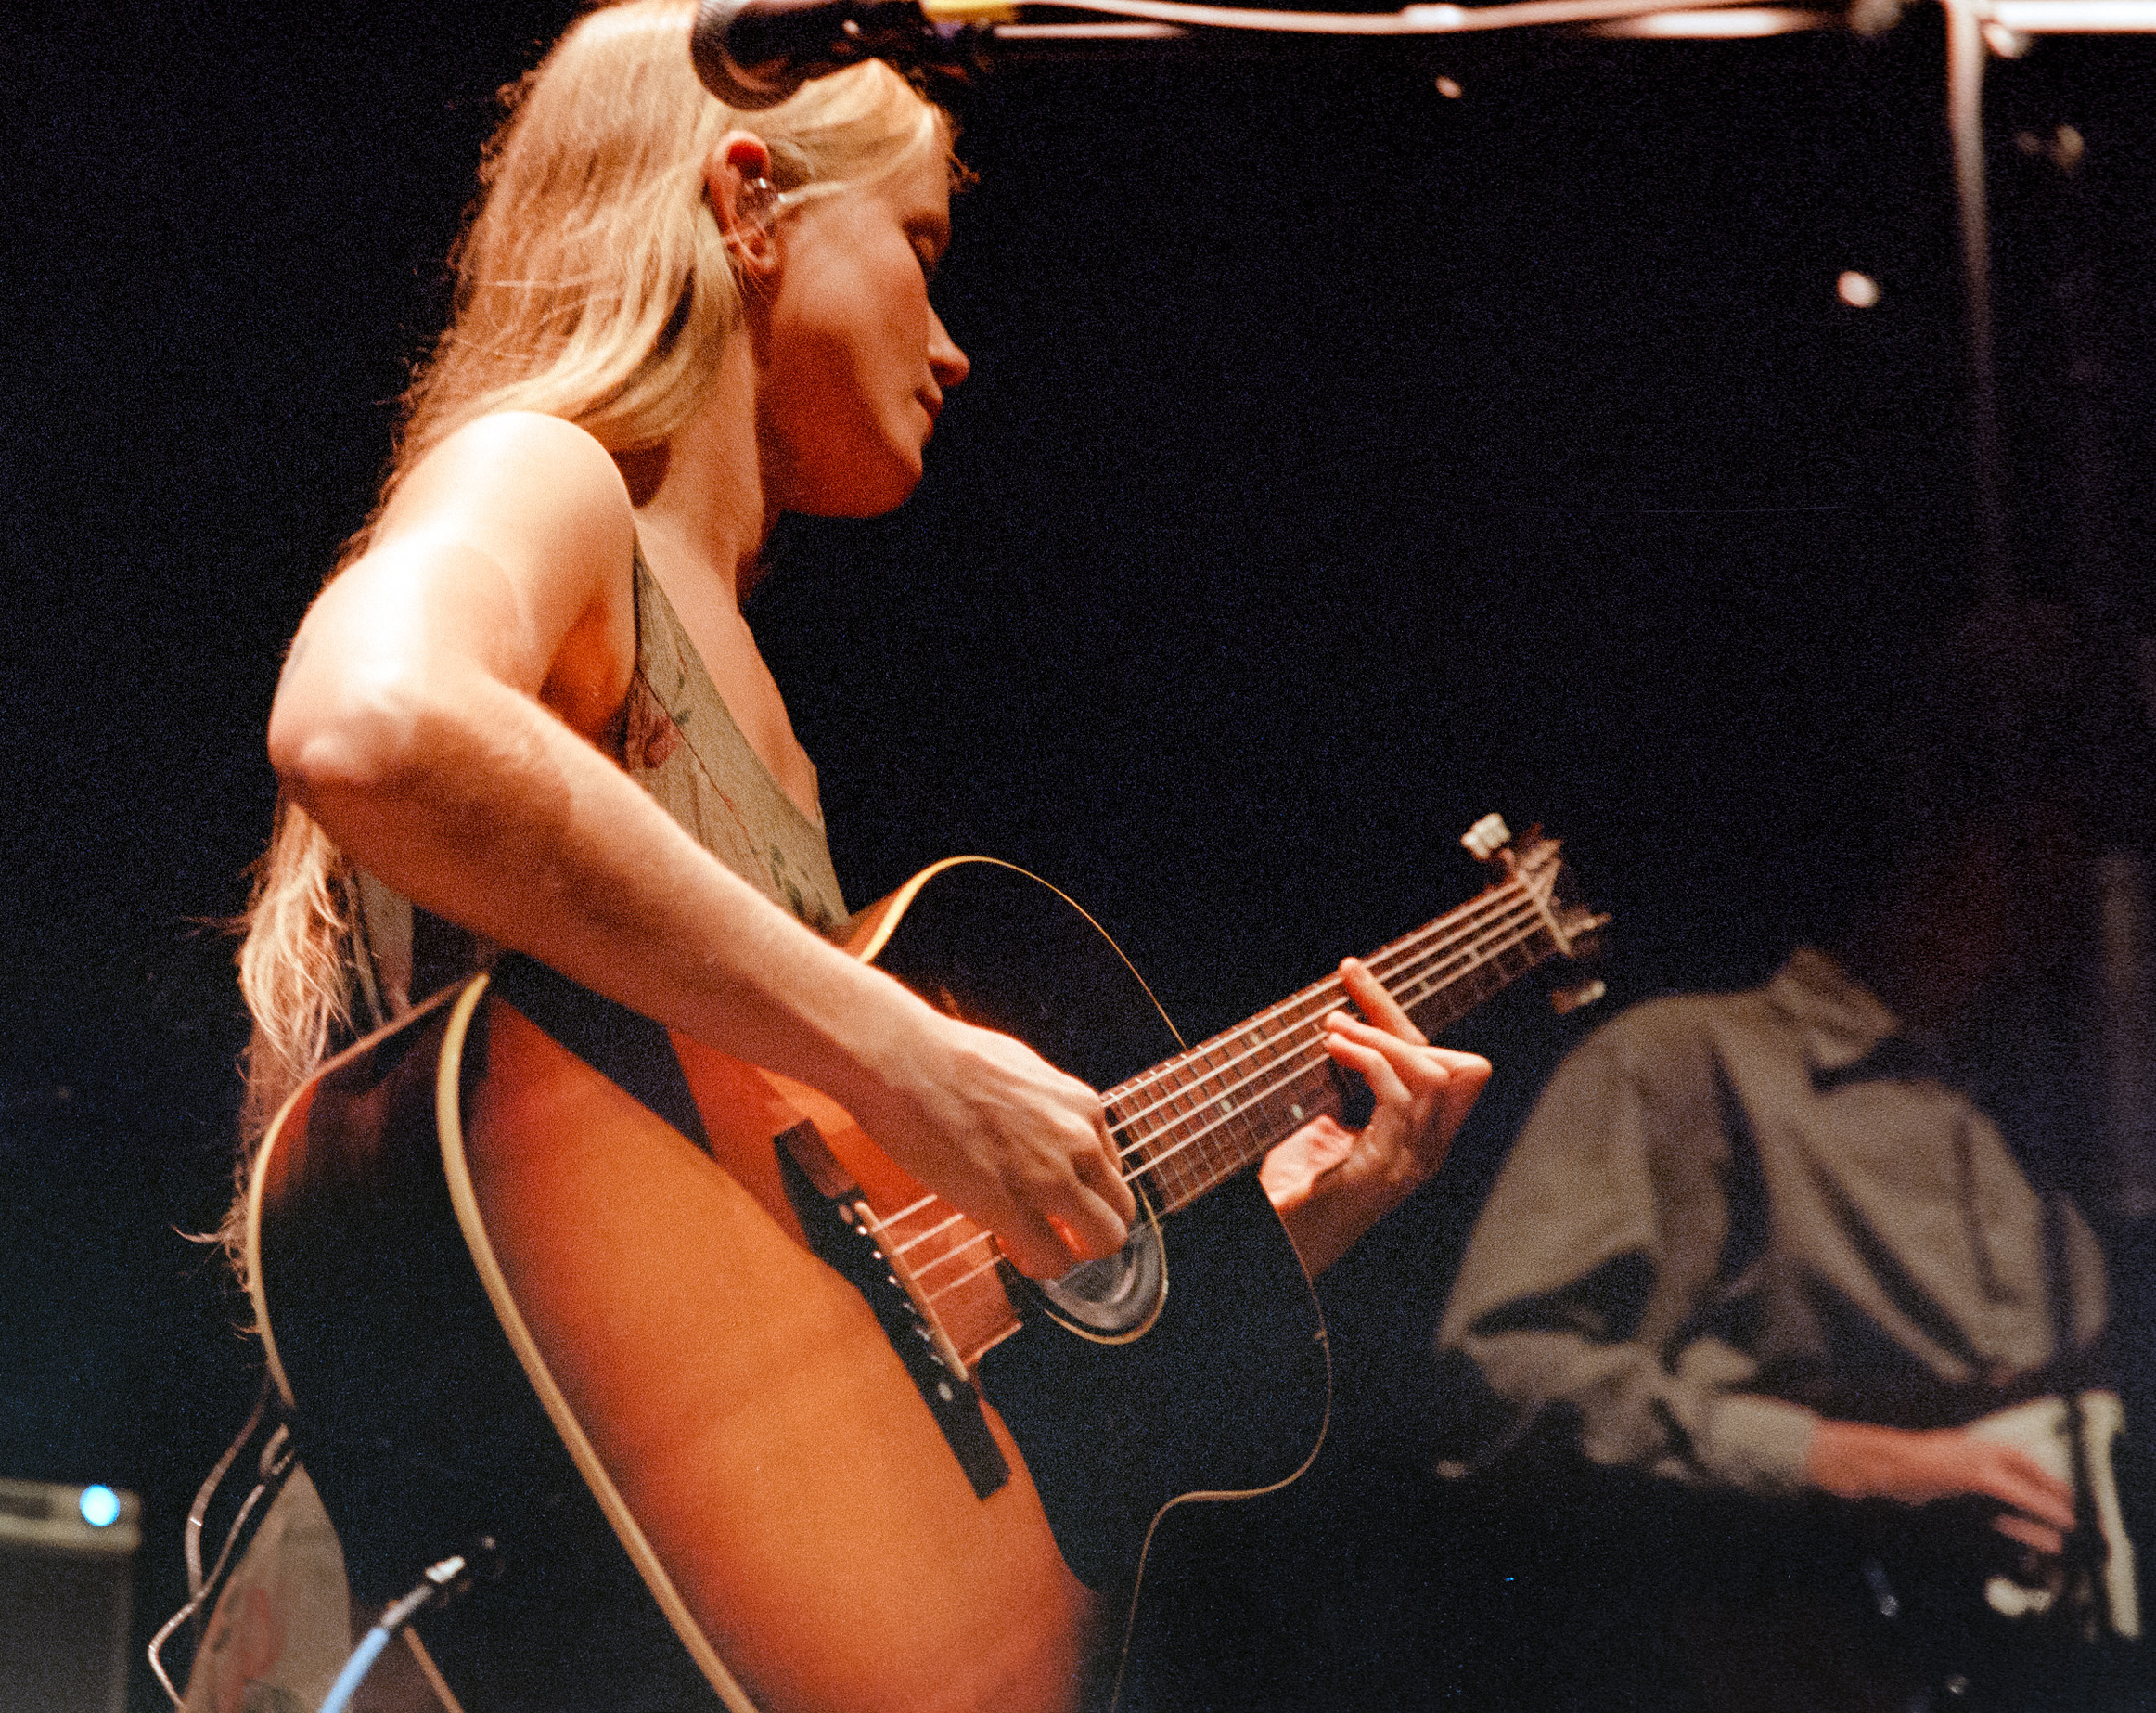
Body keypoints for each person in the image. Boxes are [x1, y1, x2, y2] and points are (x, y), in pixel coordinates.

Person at [186, 5, 1491, 1707]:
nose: (951, 347)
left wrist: (1235, 1243)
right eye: (922, 250)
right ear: (750, 203)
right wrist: (912, 1061)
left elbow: (803, 1355)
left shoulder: (767, 720)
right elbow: (373, 719)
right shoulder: (554, 484)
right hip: (460, 1606)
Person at [1435, 606, 2145, 1711]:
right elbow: (1500, 1385)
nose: (2094, 881)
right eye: (2074, 836)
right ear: (1983, 832)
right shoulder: (1683, 1064)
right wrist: (1850, 1463)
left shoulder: (2057, 1114)